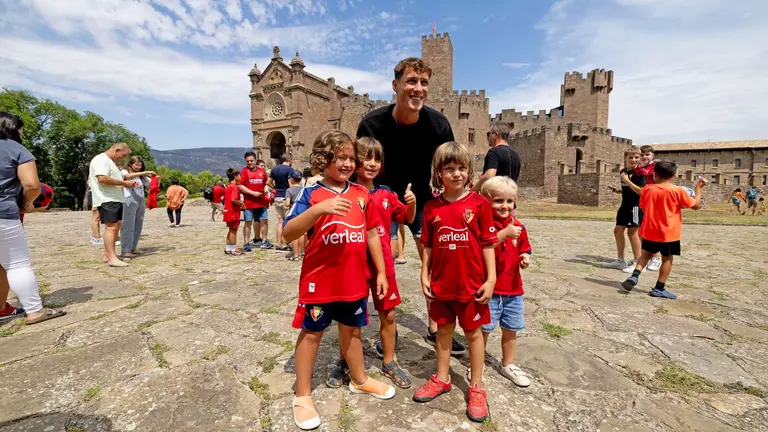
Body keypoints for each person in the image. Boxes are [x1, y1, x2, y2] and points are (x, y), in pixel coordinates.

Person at [283, 130, 395, 430]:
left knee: (353, 331)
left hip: (355, 281)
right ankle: (303, 394)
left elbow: (372, 232)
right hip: (320, 283)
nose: (347, 164)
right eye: (340, 157)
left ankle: (359, 379)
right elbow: (288, 232)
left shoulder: (362, 195)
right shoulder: (309, 194)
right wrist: (319, 210)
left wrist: (382, 271)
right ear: (323, 159)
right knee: (312, 333)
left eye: (351, 158)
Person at [357, 56, 466, 355]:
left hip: (425, 199)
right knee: (377, 264)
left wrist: (453, 204)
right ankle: (384, 330)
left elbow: (450, 164)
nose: (418, 89)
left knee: (433, 263)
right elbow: (361, 166)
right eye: (411, 81)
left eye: (424, 83)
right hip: (382, 199)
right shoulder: (372, 123)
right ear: (396, 85)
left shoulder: (438, 123)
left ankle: (436, 324)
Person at [412, 142, 497, 423]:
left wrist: (491, 278)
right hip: (441, 284)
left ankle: (476, 386)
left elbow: (487, 244)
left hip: (472, 284)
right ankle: (443, 377)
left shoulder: (479, 205)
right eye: (450, 169)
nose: (456, 174)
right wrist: (424, 273)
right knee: (444, 332)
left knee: (473, 334)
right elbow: (427, 246)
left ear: (469, 170)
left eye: (462, 168)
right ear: (439, 172)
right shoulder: (431, 207)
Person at [326, 136, 416, 390]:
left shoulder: (386, 193)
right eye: (366, 158)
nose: (372, 163)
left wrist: (412, 203)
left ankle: (389, 360)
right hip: (351, 264)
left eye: (377, 158)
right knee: (348, 319)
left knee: (388, 314)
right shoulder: (344, 193)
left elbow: (406, 218)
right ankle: (345, 360)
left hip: (383, 265)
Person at [0, 111, 66, 323]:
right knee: (17, 264)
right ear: (12, 128)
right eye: (20, 128)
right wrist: (27, 204)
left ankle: (2, 308)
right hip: (3, 213)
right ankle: (34, 310)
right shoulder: (16, 150)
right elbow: (31, 185)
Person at [621, 160, 706, 299]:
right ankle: (659, 288)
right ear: (673, 176)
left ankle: (634, 276)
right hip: (669, 233)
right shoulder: (678, 191)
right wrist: (698, 188)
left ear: (654, 175)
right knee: (667, 259)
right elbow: (695, 205)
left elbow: (643, 206)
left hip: (649, 230)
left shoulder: (648, 189)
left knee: (646, 255)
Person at [476, 176, 531, 387]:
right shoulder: (484, 225)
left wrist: (526, 257)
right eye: (498, 201)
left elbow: (525, 247)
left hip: (513, 289)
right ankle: (477, 362)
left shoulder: (518, 226)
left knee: (511, 329)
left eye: (510, 201)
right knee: (484, 329)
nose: (505, 206)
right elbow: (483, 246)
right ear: (485, 201)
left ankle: (508, 364)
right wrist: (505, 233)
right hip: (489, 289)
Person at [89, 143, 135, 267]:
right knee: (111, 227)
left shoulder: (108, 161)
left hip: (114, 198)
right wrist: (124, 183)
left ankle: (108, 254)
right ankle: (112, 258)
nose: (123, 158)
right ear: (117, 150)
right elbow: (102, 179)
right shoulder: (101, 159)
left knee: (116, 225)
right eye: (123, 155)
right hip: (107, 199)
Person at [602, 148, 645, 269]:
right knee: (618, 230)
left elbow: (641, 191)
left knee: (632, 232)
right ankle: (620, 260)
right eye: (631, 157)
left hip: (635, 206)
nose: (633, 160)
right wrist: (619, 190)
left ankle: (638, 262)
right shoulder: (623, 171)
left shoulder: (640, 172)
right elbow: (628, 190)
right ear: (625, 158)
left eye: (636, 157)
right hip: (624, 205)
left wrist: (626, 180)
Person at [624, 145, 661, 273]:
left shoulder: (654, 168)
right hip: (644, 202)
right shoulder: (638, 169)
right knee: (642, 230)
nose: (645, 157)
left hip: (653, 200)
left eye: (647, 155)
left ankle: (655, 258)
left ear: (653, 155)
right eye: (643, 155)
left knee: (649, 230)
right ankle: (647, 257)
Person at [120, 156, 155, 258]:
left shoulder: (141, 177)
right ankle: (125, 249)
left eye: (140, 165)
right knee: (128, 225)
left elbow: (152, 185)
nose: (139, 167)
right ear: (130, 164)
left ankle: (132, 248)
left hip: (140, 201)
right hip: (129, 200)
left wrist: (156, 178)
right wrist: (144, 173)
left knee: (137, 225)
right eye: (136, 165)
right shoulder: (124, 171)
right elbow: (127, 176)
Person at [472, 121, 521, 193]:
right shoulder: (516, 154)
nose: (487, 138)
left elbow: (489, 176)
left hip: (496, 199)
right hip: (510, 200)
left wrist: (474, 189)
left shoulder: (494, 152)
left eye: (488, 134)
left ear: (496, 134)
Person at [239, 152, 271, 251]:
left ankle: (264, 241)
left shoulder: (262, 171)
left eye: (251, 161)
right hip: (249, 202)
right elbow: (240, 186)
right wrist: (252, 193)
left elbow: (266, 183)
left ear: (255, 160)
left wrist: (266, 188)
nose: (249, 163)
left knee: (264, 221)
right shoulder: (244, 171)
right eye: (247, 161)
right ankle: (246, 243)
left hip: (261, 201)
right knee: (248, 222)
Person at [268, 153, 294, 252]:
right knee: (287, 222)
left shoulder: (274, 169)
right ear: (290, 160)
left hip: (277, 197)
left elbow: (268, 182)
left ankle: (278, 244)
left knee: (279, 222)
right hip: (286, 198)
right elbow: (290, 185)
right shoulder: (290, 170)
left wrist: (275, 188)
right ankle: (284, 244)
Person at [284, 169, 305, 261]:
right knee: (302, 234)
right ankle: (301, 253)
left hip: (293, 213)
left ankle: (296, 255)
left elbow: (287, 204)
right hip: (303, 213)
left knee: (294, 235)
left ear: (292, 179)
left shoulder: (289, 190)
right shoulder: (304, 189)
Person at [223, 168, 244, 256]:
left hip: (227, 211)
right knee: (233, 230)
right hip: (233, 212)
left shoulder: (228, 186)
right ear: (235, 176)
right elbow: (234, 199)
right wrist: (241, 204)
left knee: (230, 229)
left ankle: (228, 248)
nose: (240, 177)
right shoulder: (234, 187)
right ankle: (233, 248)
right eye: (239, 175)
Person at [86, 179, 104, 246]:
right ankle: (96, 238)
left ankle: (96, 237)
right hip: (95, 193)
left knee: (97, 217)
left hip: (98, 193)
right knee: (96, 217)